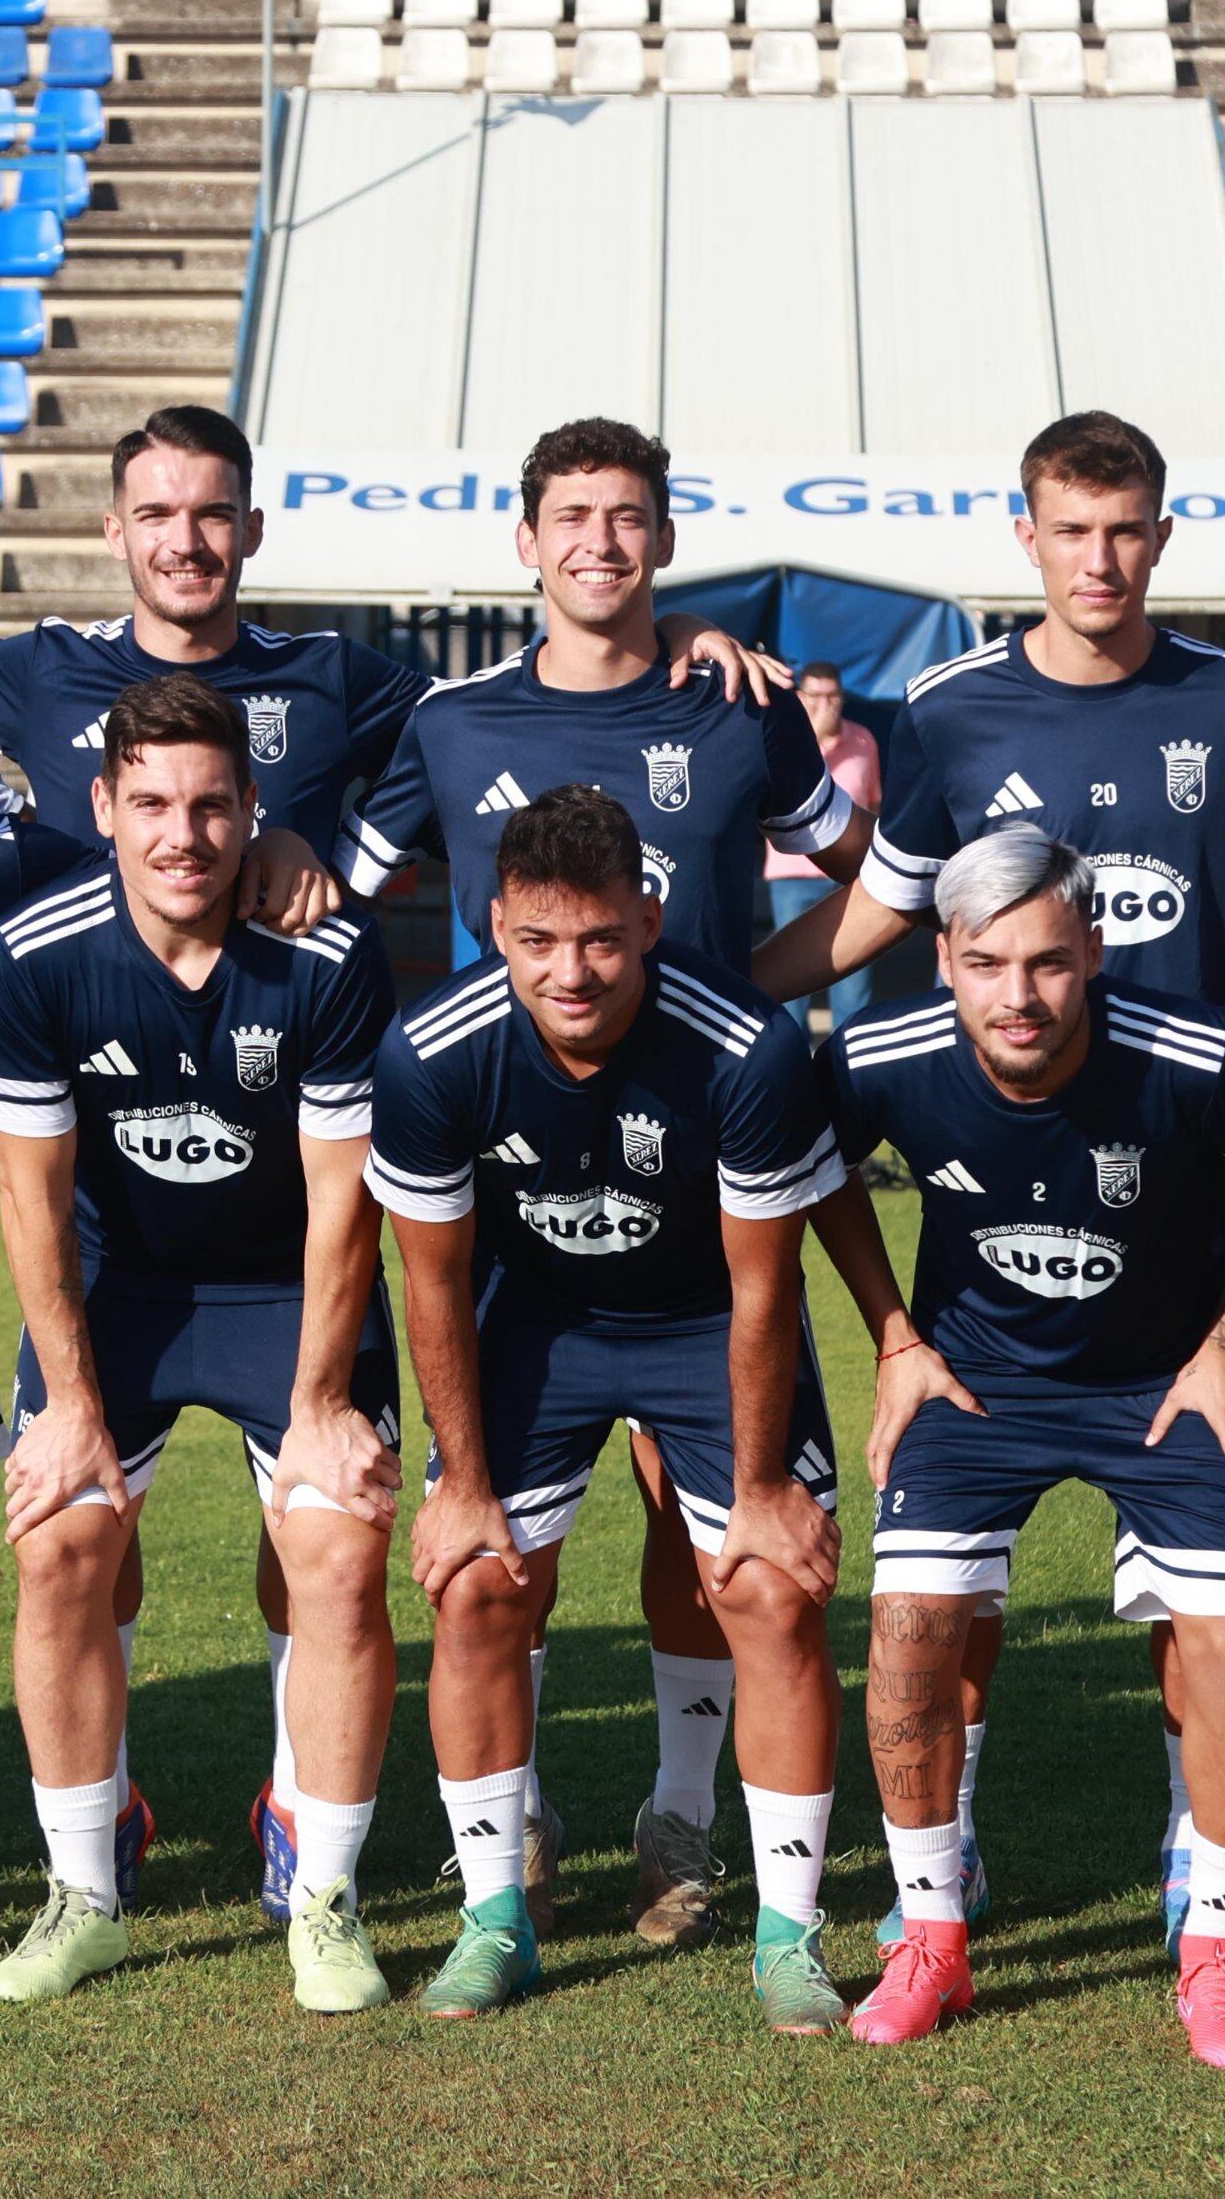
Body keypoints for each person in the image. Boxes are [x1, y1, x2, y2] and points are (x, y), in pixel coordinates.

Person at [0, 403, 778, 1918]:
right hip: (93, 1201)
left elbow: (540, 681)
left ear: (250, 530)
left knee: (343, 1539)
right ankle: (90, 1810)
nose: (185, 539)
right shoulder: (18, 675)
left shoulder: (351, 683)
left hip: (284, 1192)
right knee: (64, 1535)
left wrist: (685, 637)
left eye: (212, 512)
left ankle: (309, 1813)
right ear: (114, 530)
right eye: (154, 512)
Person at [762, 409, 1225, 1947]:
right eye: (1072, 529)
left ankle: (1200, 1834)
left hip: (1186, 1182)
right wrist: (712, 993)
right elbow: (873, 914)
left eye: (1127, 529)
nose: (1101, 560)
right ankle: (956, 1855)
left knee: (1194, 1582)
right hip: (1001, 1193)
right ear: (1028, 538)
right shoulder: (949, 709)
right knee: (951, 1590)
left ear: (1163, 535)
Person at [338, 416, 871, 1950]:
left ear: (664, 537)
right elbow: (333, 887)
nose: (599, 543)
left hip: (710, 1170)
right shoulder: (447, 720)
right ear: (525, 540)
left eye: (629, 516)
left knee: (711, 1549)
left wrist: (745, 992)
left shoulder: (735, 706)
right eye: (570, 516)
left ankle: (683, 1816)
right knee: (500, 1554)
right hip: (514, 1203)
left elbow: (880, 876)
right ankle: (509, 1856)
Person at [365, 785, 880, 2031]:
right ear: (493, 926)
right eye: (538, 941)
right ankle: (495, 1918)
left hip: (702, 1322)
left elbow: (765, 1291)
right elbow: (429, 1284)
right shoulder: (431, 1050)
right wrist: (465, 1485)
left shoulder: (746, 1046)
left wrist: (763, 1495)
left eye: (599, 938)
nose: (572, 971)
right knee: (478, 1578)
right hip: (530, 1327)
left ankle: (786, 1934)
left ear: (648, 920)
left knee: (767, 1588)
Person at [818, 824, 1225, 2066]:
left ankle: (1216, 1956)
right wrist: (892, 1337)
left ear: (1093, 950)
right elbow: (807, 1175)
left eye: (1045, 961)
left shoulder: (1201, 1060)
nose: (1017, 994)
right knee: (908, 1625)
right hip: (976, 1383)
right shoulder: (877, 1055)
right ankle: (931, 1931)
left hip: (1167, 1382)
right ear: (943, 960)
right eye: (986, 963)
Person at [0, 675, 405, 2010]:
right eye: (150, 802)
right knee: (60, 1544)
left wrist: (326, 1395)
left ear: (253, 808)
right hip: (120, 1293)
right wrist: (71, 1404)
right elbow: (29, 1200)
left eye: (213, 805)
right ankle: (83, 1888)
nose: (182, 834)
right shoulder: (32, 950)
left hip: (286, 1289)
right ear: (102, 806)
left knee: (337, 1552)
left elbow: (345, 1202)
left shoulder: (329, 952)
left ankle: (321, 1892)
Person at [762, 662, 885, 1027]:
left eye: (832, 696)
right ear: (800, 697)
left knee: (853, 980)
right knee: (790, 982)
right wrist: (811, 737)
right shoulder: (785, 739)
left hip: (851, 875)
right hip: (792, 875)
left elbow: (874, 804)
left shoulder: (863, 740)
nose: (824, 705)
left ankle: (848, 1070)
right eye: (815, 696)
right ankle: (793, 1068)